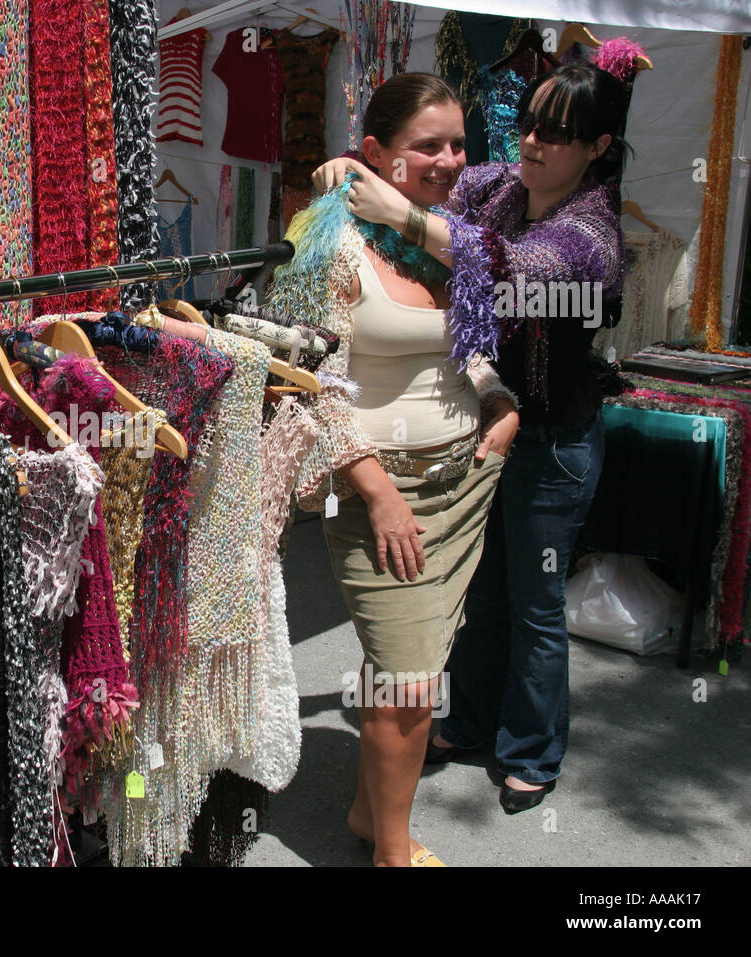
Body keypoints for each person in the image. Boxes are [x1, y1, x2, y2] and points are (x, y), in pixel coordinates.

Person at [314, 64, 627, 814]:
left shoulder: (592, 234)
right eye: (526, 122)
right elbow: (426, 167)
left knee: (534, 603)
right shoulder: (501, 186)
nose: (531, 140)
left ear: (597, 146)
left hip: (550, 439)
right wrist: (349, 167)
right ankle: (472, 718)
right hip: (481, 426)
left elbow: (510, 269)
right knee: (482, 596)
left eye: (554, 132)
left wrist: (406, 215)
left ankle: (530, 749)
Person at [272, 73, 519, 866]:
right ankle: (392, 851)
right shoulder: (324, 236)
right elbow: (306, 380)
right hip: (385, 490)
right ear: (376, 151)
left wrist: (498, 397)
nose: (450, 159)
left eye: (458, 143)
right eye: (428, 145)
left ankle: (365, 816)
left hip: (464, 482)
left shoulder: (443, 231)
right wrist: (373, 489)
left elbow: (471, 341)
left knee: (412, 667)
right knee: (410, 683)